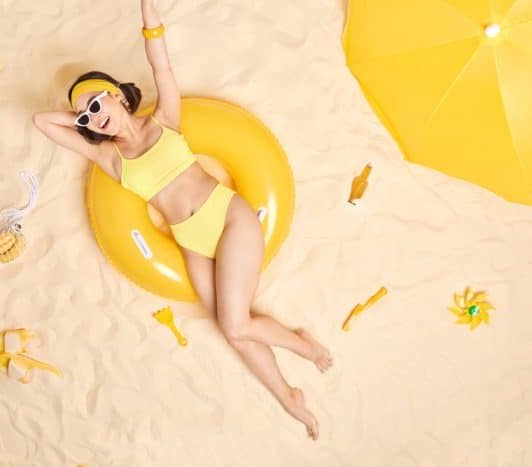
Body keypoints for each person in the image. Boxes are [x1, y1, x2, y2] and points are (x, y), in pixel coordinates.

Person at [33, 0, 332, 440]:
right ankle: (289, 396)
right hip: (191, 242)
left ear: (116, 93)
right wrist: (81, 119)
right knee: (234, 331)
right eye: (87, 115)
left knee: (235, 323)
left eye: (98, 102)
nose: (96, 115)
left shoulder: (164, 121)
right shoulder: (110, 158)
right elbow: (42, 122)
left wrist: (148, 16)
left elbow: (162, 67)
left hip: (228, 219)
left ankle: (303, 344)